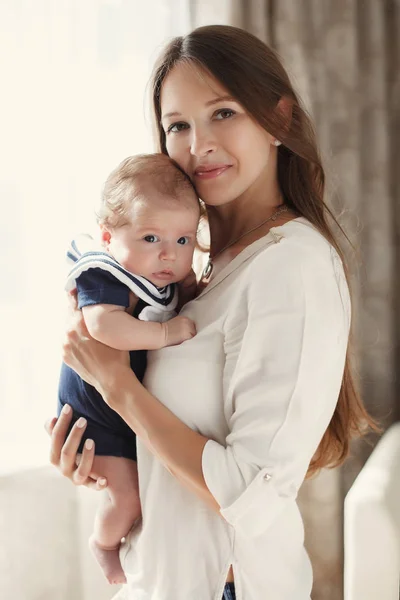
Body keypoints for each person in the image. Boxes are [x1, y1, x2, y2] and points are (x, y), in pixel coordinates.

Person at [46, 25, 378, 600]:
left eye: (222, 113)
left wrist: (117, 383)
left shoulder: (291, 267)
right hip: (154, 577)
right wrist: (97, 454)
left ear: (278, 119)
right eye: (178, 125)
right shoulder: (186, 274)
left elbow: (248, 489)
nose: (198, 143)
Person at [57, 153, 199, 585]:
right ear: (107, 237)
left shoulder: (160, 274)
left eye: (183, 240)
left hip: (123, 406)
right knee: (128, 495)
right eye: (151, 237)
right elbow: (101, 325)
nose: (168, 255)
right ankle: (102, 544)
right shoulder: (107, 273)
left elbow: (187, 287)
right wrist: (165, 334)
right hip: (95, 412)